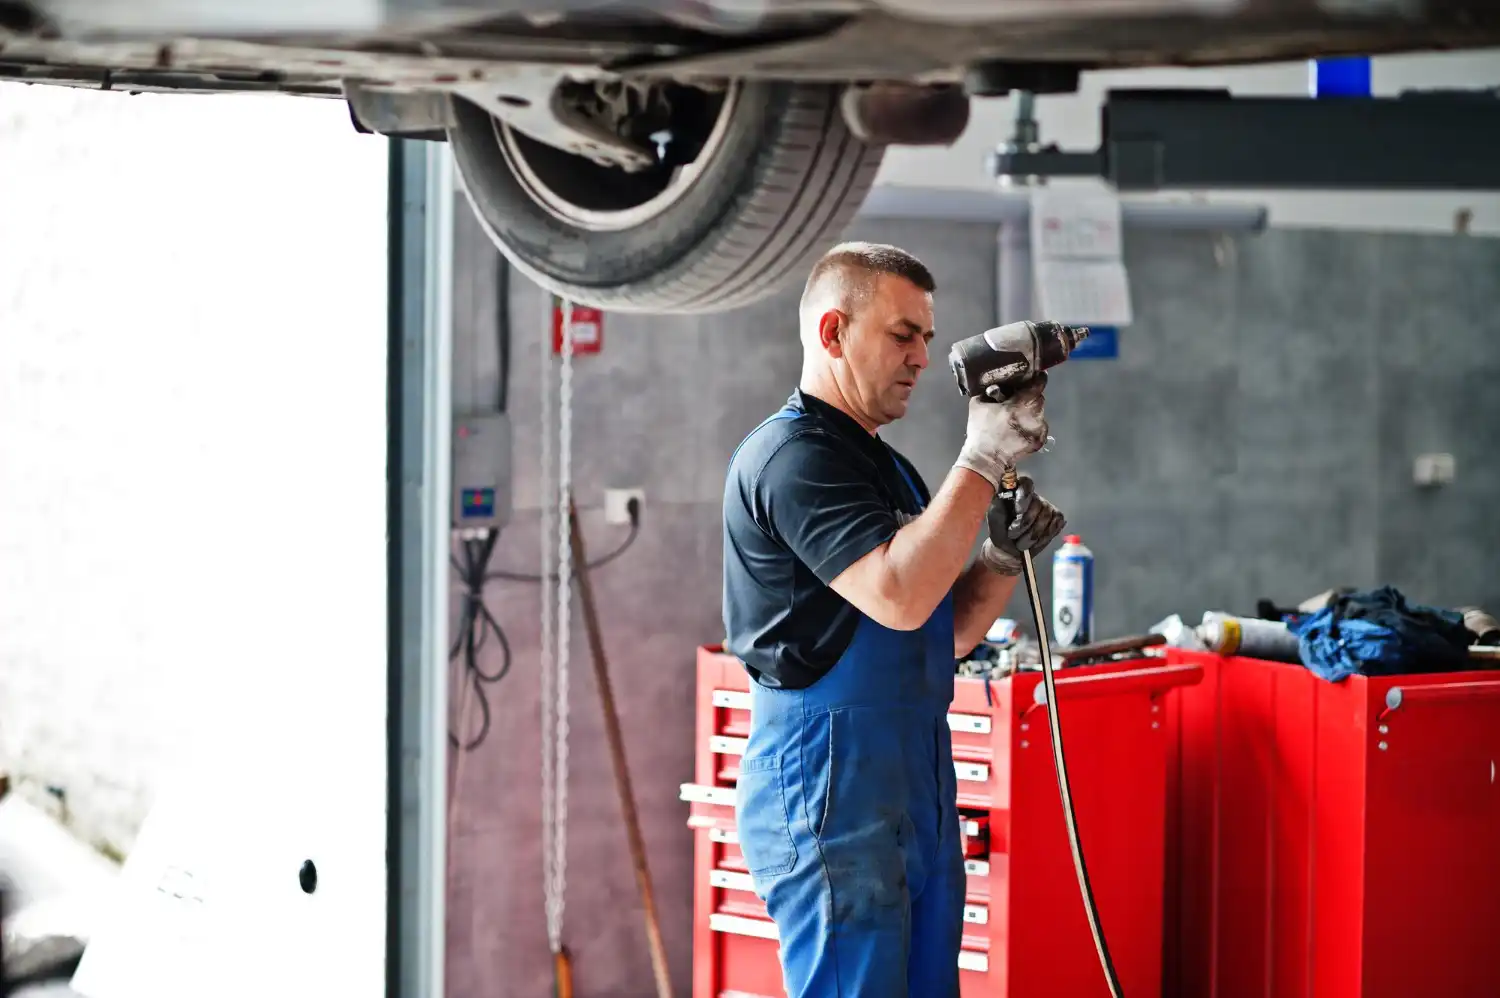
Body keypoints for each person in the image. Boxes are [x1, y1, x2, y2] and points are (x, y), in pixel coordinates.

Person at [720, 242, 1068, 998]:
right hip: (829, 783)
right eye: (901, 335)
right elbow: (897, 594)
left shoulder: (891, 467)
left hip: (912, 778)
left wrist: (1003, 560)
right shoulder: (792, 459)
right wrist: (980, 456)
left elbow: (945, 633)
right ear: (833, 333)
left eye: (927, 340)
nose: (920, 358)